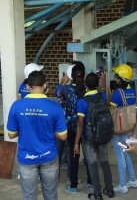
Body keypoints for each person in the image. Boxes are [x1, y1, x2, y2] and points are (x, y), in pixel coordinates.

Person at [7, 71, 67, 200]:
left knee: (29, 196)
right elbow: (63, 136)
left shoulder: (17, 106)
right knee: (51, 195)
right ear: (45, 85)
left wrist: (22, 130)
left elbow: (11, 135)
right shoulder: (55, 107)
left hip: (26, 158)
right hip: (49, 157)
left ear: (27, 86)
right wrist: (50, 131)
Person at [74, 73, 114, 200]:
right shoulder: (102, 95)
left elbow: (80, 123)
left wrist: (76, 143)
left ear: (85, 84)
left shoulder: (82, 102)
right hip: (103, 134)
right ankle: (109, 189)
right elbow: (102, 90)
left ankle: (97, 193)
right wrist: (103, 80)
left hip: (89, 137)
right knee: (104, 161)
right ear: (98, 84)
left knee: (92, 163)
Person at [55, 63, 93, 194]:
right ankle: (91, 182)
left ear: (71, 76)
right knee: (89, 156)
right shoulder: (88, 89)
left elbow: (57, 92)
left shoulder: (66, 89)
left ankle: (73, 185)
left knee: (73, 155)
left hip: (71, 128)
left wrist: (63, 81)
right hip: (87, 127)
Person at [109, 64, 137, 194]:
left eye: (116, 77)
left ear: (120, 79)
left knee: (120, 156)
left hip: (118, 130)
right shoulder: (132, 91)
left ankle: (122, 185)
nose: (115, 79)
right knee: (126, 153)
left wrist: (110, 95)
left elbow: (111, 110)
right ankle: (133, 179)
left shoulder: (116, 93)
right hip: (129, 127)